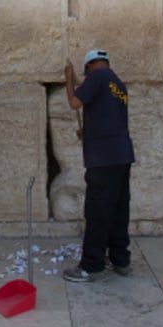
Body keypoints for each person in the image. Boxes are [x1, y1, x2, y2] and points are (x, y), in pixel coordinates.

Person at [62, 49, 134, 283]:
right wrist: (89, 132)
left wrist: (68, 79)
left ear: (90, 66)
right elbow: (110, 118)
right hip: (122, 154)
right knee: (118, 210)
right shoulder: (118, 84)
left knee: (98, 211)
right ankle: (120, 259)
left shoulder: (98, 76)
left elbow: (74, 103)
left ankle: (92, 266)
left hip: (103, 158)